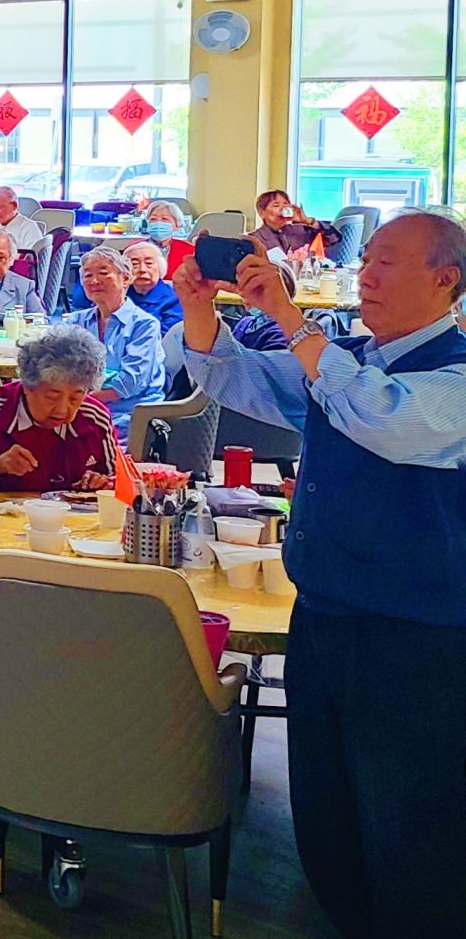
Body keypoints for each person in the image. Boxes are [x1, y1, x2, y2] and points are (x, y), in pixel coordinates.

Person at [176, 210, 466, 936]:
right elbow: (240, 380)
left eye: (387, 261)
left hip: (418, 635)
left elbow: (386, 420)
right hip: (323, 616)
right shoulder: (344, 357)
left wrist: (290, 317)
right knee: (326, 807)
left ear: (446, 279)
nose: (366, 275)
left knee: (411, 819)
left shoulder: (452, 374)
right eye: (367, 259)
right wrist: (199, 307)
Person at [0, 325, 123, 493]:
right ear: (27, 387)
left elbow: (121, 478)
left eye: (75, 397)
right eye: (52, 396)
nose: (63, 409)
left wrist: (102, 482)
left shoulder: (94, 417)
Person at [62, 246, 165, 437]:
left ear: (125, 278)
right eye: (87, 275)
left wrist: (78, 400)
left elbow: (131, 381)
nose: (94, 281)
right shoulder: (76, 321)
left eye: (103, 273)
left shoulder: (144, 325)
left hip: (129, 413)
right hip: (80, 405)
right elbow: (60, 366)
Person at [251, 188, 340, 257]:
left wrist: (307, 220)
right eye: (276, 205)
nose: (282, 209)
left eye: (285, 204)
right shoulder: (254, 238)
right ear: (262, 213)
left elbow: (334, 239)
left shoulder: (299, 230)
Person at [124, 239, 182, 331]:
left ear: (160, 267)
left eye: (149, 263)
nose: (142, 269)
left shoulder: (174, 299)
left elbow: (167, 334)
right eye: (134, 264)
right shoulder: (119, 296)